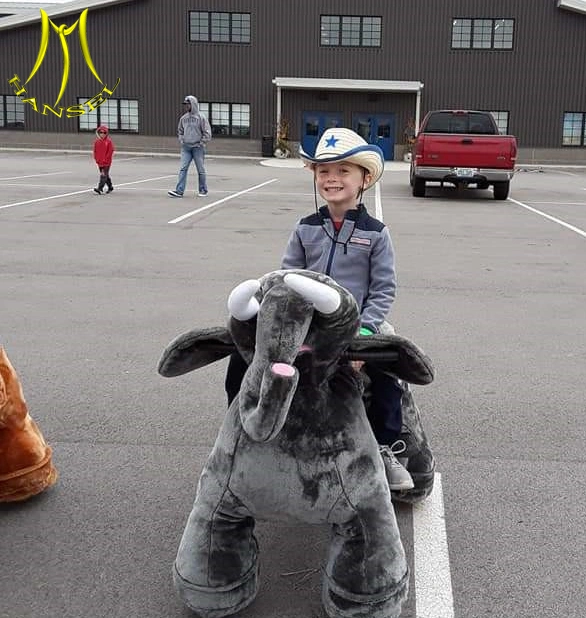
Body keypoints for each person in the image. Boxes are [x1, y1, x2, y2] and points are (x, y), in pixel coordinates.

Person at [225, 127, 414, 491]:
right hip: (305, 326)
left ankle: (385, 446)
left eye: (343, 171)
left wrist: (366, 331)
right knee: (241, 358)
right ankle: (240, 429)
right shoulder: (304, 228)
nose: (332, 178)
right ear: (315, 177)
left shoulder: (376, 233)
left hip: (358, 325)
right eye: (324, 171)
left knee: (390, 364)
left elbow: (384, 288)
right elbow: (283, 277)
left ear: (364, 179)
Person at [168, 95, 211, 198]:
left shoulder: (201, 117)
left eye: (187, 104)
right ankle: (179, 191)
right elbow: (180, 131)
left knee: (200, 170)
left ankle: (203, 190)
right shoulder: (183, 118)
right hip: (186, 148)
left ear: (193, 104)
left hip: (198, 148)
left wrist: (202, 142)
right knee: (183, 168)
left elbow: (207, 132)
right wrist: (182, 140)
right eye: (185, 105)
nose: (186, 106)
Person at [92, 125, 114, 194]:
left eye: (104, 132)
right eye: (101, 132)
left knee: (103, 175)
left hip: (106, 162)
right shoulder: (97, 142)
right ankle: (110, 187)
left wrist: (106, 159)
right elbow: (95, 151)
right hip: (100, 162)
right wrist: (96, 159)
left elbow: (110, 151)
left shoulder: (108, 142)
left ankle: (100, 188)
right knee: (105, 175)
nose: (102, 134)